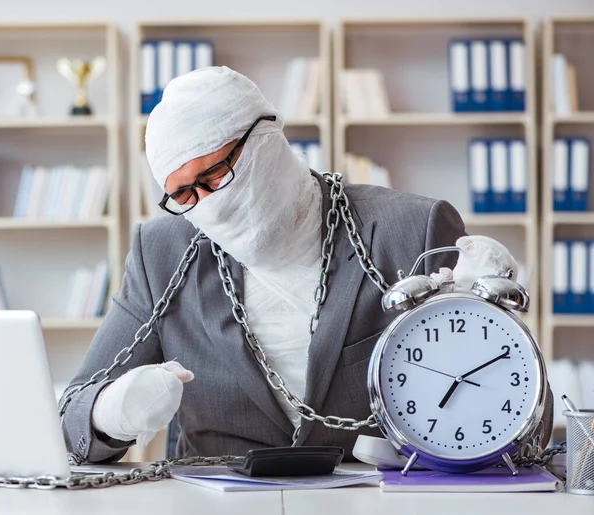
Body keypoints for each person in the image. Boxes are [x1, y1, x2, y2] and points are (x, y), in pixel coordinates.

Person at [61, 66, 551, 463]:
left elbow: (527, 425)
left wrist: (490, 324)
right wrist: (113, 412)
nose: (205, 204)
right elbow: (71, 416)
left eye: (214, 175)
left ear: (265, 138)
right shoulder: (162, 251)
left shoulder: (411, 229)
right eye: (182, 194)